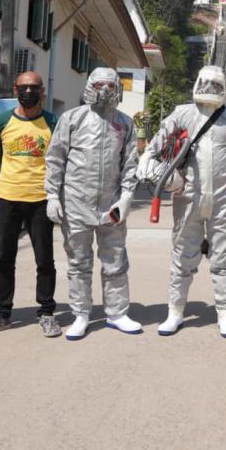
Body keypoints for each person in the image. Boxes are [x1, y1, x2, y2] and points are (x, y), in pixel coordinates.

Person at [142, 65, 226, 338]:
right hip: (187, 198)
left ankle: (224, 313)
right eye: (207, 84)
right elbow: (158, 146)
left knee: (223, 257)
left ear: (224, 87)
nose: (211, 90)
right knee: (182, 255)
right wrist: (158, 170)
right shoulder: (182, 114)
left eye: (216, 85)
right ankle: (175, 311)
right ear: (198, 83)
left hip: (223, 201)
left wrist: (223, 181)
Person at [43, 67, 140, 340]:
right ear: (89, 86)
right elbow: (55, 158)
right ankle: (81, 314)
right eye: (99, 85)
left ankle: (117, 313)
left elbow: (130, 163)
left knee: (115, 260)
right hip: (76, 202)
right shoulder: (72, 118)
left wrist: (126, 197)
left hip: (111, 204)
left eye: (110, 85)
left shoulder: (125, 123)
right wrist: (52, 195)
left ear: (118, 89)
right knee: (78, 262)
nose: (105, 90)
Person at [0, 71, 59, 338]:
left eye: (34, 87)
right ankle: (2, 313)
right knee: (4, 259)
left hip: (41, 199)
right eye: (24, 87)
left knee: (45, 259)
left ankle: (46, 312)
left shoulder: (52, 122)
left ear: (42, 91)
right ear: (15, 90)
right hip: (8, 198)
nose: (29, 92)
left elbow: (58, 158)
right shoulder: (1, 121)